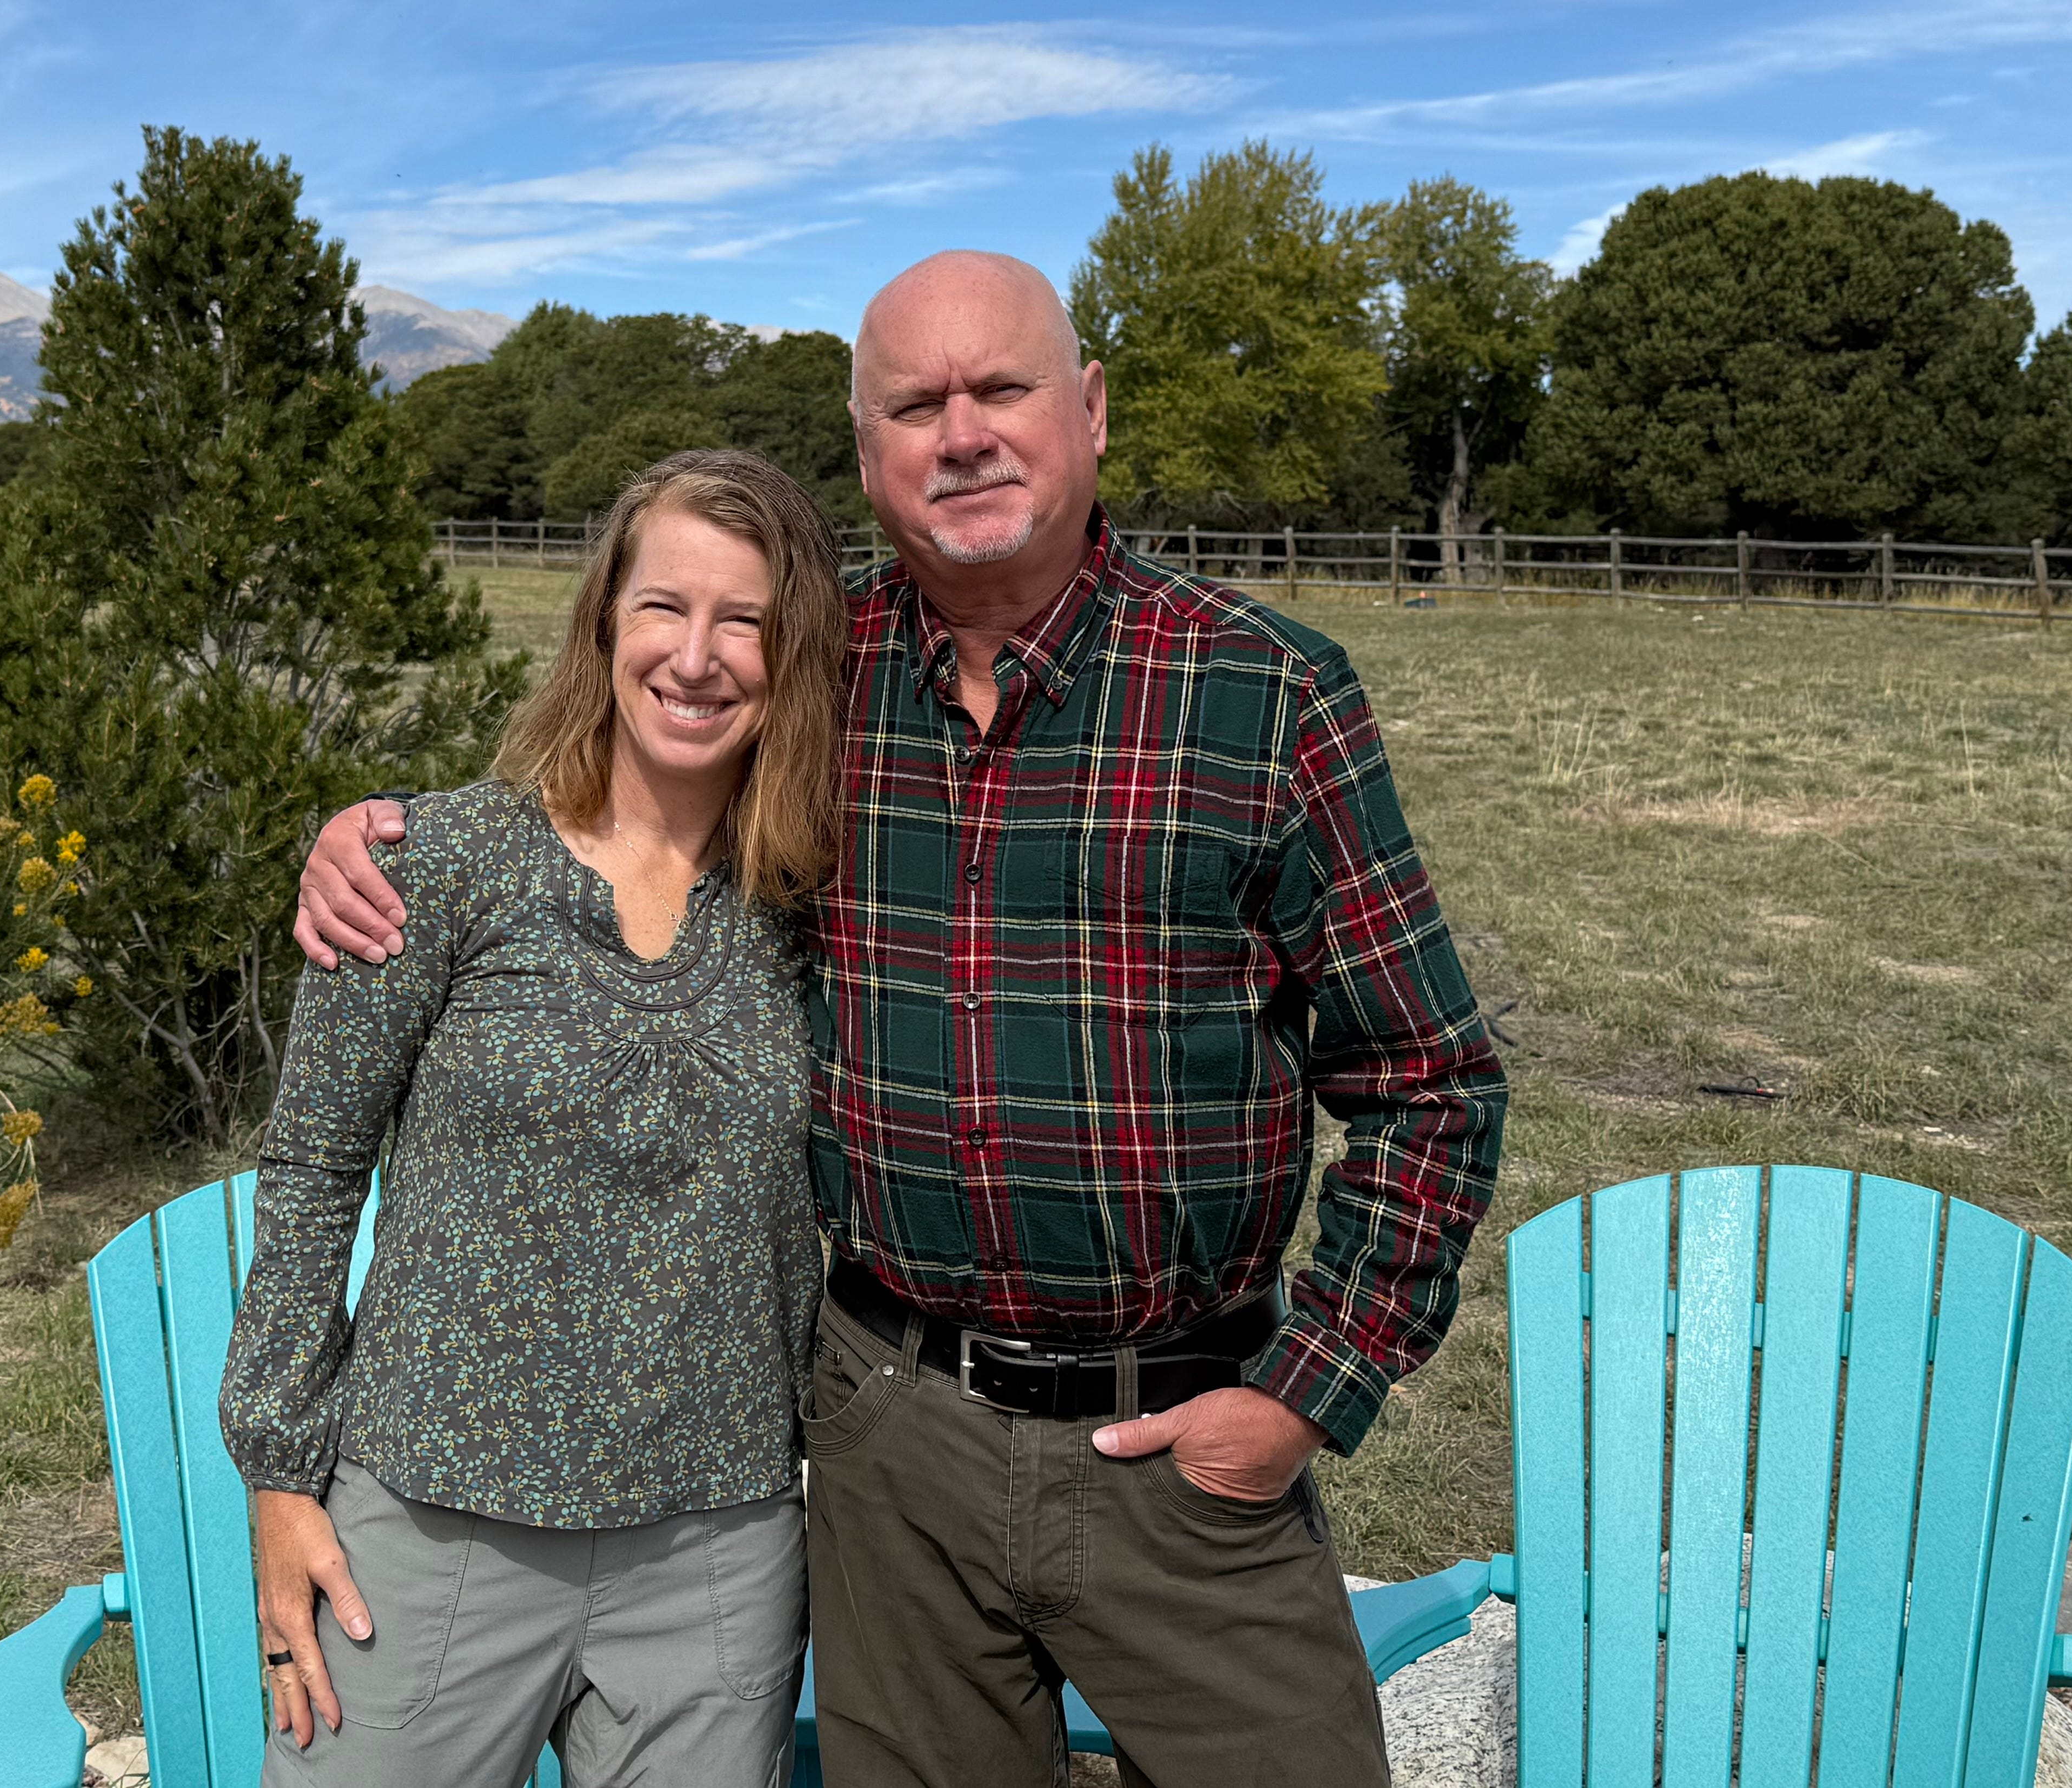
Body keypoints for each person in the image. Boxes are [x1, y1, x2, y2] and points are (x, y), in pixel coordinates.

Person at [295, 252, 1508, 1788]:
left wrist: (1308, 1391)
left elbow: (1431, 1082)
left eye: (1001, 388)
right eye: (915, 404)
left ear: (1089, 412)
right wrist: (375, 835)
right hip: (891, 1437)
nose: (963, 432)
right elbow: (608, 803)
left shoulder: (1262, 693)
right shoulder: (811, 674)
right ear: (864, 453)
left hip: (1187, 1441)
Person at [221, 447, 849, 1786]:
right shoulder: (433, 865)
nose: (698, 656)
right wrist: (279, 1477)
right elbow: (315, 1168)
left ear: (790, 657)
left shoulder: (818, 904)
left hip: (719, 1548)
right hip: (430, 1531)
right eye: (664, 608)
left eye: (746, 620)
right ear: (603, 626)